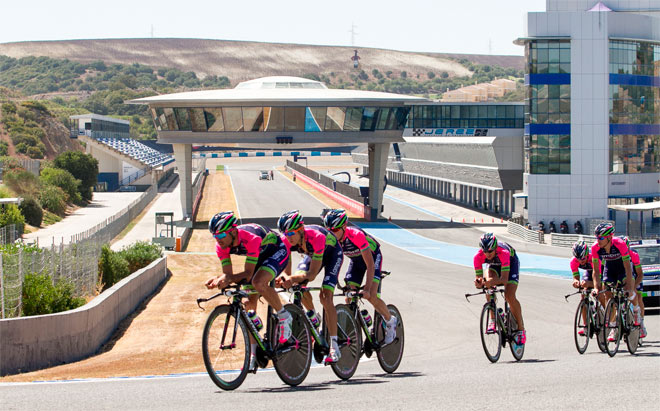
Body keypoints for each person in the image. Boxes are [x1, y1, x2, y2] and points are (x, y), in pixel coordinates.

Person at [205, 211, 292, 371]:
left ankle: (284, 316)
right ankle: (253, 354)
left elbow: (248, 274)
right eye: (215, 237)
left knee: (258, 282)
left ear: (232, 231)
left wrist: (228, 279)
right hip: (259, 255)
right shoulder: (221, 246)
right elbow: (228, 274)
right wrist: (219, 279)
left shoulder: (250, 238)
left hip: (277, 250)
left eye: (221, 235)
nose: (218, 240)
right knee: (248, 303)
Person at [275, 210, 344, 364]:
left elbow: (311, 275)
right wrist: (287, 277)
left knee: (326, 296)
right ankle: (313, 316)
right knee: (298, 286)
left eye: (292, 233)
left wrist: (292, 278)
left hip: (332, 255)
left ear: (301, 230)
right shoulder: (287, 239)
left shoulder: (316, 237)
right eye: (286, 234)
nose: (288, 237)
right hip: (312, 254)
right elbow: (287, 262)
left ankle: (334, 345)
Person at [321, 209, 398, 344]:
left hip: (372, 259)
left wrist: (367, 289)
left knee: (371, 296)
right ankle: (363, 319)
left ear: (344, 227)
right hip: (356, 261)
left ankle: (390, 320)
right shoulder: (332, 239)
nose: (331, 233)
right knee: (349, 296)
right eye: (329, 230)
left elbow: (370, 265)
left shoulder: (356, 235)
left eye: (335, 230)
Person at [473, 233, 526, 345]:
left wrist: (491, 282)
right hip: (494, 266)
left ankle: (521, 329)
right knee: (488, 282)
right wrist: (479, 282)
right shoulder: (478, 257)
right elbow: (479, 278)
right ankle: (493, 318)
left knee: (509, 295)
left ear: (495, 248)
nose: (487, 254)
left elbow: (504, 279)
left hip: (510, 265)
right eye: (485, 252)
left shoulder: (504, 253)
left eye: (490, 251)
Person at [590, 222, 635, 342]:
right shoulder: (595, 248)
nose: (598, 240)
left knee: (624, 288)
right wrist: (595, 287)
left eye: (601, 238)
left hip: (622, 268)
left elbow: (628, 268)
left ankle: (626, 311)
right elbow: (596, 271)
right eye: (597, 237)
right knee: (607, 293)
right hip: (609, 268)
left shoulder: (620, 244)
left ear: (610, 237)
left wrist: (629, 288)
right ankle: (613, 324)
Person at [570, 240, 605, 336]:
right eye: (578, 259)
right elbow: (575, 277)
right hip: (588, 272)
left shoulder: (593, 258)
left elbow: (596, 277)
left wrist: (590, 284)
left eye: (583, 258)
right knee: (583, 294)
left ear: (587, 254)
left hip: (599, 271)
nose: (581, 261)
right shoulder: (573, 262)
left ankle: (607, 316)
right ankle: (586, 325)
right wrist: (576, 282)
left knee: (600, 292)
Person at [620, 236, 646, 338]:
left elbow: (640, 274)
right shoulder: (616, 255)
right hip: (623, 275)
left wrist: (634, 286)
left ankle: (642, 324)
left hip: (635, 275)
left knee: (638, 297)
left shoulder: (633, 255)